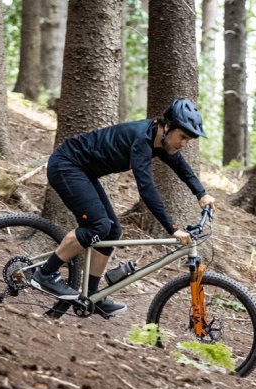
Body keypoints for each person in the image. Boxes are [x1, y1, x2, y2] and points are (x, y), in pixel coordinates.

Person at [31, 98, 216, 318]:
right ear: (167, 126)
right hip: (66, 166)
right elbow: (146, 190)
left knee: (112, 230)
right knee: (98, 226)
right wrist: (172, 228)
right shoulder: (142, 140)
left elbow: (181, 167)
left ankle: (92, 295)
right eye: (183, 137)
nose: (184, 143)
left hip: (83, 171)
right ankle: (45, 274)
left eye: (189, 139)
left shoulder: (160, 140)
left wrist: (201, 194)